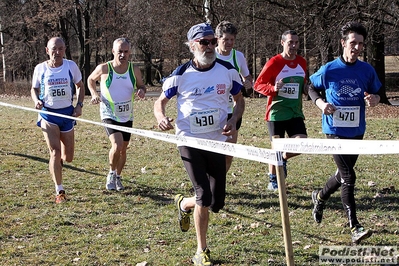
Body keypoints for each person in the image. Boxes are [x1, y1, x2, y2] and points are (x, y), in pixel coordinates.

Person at [154, 23, 245, 266]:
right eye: (204, 42)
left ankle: (183, 203)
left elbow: (239, 99)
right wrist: (161, 118)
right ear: (192, 45)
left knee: (216, 202)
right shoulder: (180, 75)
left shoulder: (227, 71)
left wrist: (234, 119)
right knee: (204, 195)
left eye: (212, 41)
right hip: (189, 141)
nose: (210, 46)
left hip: (217, 141)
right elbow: (159, 102)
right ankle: (201, 250)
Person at [308, 21, 381, 244]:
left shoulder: (367, 70)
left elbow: (378, 93)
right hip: (334, 130)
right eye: (353, 43)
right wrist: (320, 103)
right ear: (343, 43)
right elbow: (309, 86)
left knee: (342, 174)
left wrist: (375, 99)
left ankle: (319, 196)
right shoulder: (329, 69)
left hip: (356, 130)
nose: (357, 48)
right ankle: (355, 226)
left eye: (360, 44)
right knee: (349, 176)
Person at [30, 37, 85, 203]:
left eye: (61, 48)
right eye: (54, 49)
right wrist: (36, 101)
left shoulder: (71, 66)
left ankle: (59, 161)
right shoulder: (40, 68)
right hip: (48, 114)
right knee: (54, 152)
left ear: (65, 49)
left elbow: (80, 86)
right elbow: (34, 88)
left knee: (68, 157)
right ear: (47, 50)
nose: (57, 52)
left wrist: (79, 105)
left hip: (67, 114)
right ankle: (59, 190)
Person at [87, 37, 146, 191]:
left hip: (127, 114)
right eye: (120, 51)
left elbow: (141, 85)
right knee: (117, 144)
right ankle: (111, 173)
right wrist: (94, 94)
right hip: (109, 113)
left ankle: (118, 177)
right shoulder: (104, 68)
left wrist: (141, 90)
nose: (123, 55)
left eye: (126, 52)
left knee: (123, 148)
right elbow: (90, 80)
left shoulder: (134, 70)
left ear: (130, 53)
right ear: (113, 52)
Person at [253, 30, 308, 191]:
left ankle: (282, 159)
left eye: (296, 42)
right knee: (275, 148)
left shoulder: (302, 62)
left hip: (295, 112)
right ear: (282, 43)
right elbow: (258, 85)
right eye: (290, 42)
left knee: (302, 142)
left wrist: (306, 89)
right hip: (276, 112)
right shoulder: (274, 62)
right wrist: (273, 88)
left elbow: (302, 83)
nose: (294, 46)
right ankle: (273, 180)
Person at [215, 21, 253, 172]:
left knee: (229, 152)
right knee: (212, 151)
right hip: (213, 108)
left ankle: (219, 183)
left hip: (233, 109)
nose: (230, 43)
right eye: (226, 40)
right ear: (218, 38)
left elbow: (247, 76)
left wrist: (248, 82)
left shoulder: (238, 56)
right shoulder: (210, 56)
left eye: (232, 39)